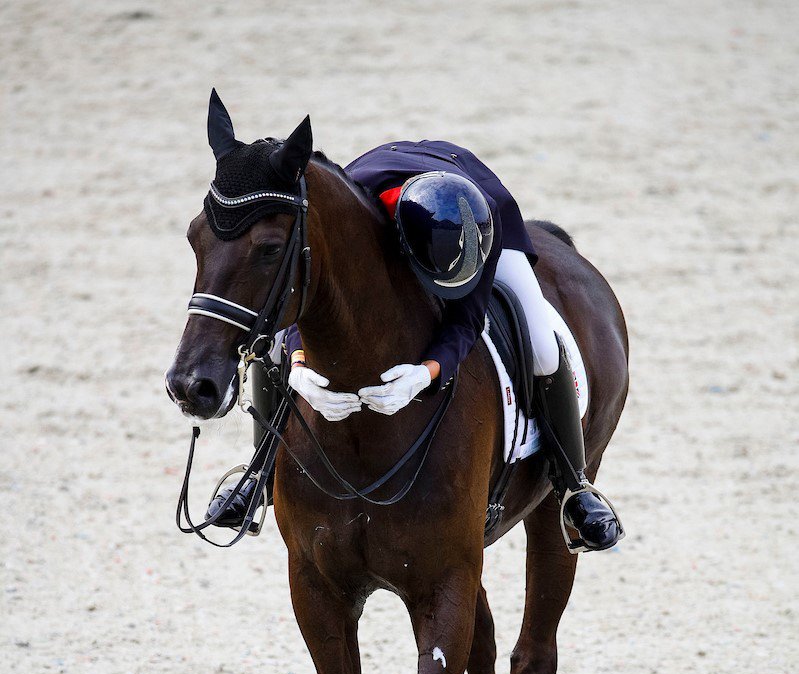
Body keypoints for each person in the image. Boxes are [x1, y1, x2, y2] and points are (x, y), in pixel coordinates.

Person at [208, 140, 622, 551]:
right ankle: (259, 473)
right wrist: (298, 363)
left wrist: (426, 372)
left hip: (483, 211)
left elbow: (468, 318)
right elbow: (312, 298)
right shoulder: (357, 227)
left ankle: (573, 486)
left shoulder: (484, 228)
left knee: (544, 349)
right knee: (272, 334)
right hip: (392, 205)